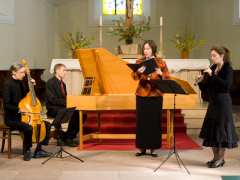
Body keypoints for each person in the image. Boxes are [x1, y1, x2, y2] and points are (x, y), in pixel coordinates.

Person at [197, 46, 238, 168]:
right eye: (211, 55)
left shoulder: (228, 69)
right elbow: (206, 88)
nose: (212, 58)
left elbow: (226, 86)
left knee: (221, 132)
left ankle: (220, 159)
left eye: (214, 55)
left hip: (223, 103)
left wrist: (212, 76)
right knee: (213, 132)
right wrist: (200, 82)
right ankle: (215, 158)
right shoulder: (213, 68)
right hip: (213, 103)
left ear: (222, 56)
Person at [3, 63, 51, 161]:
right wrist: (19, 110)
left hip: (25, 115)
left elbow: (27, 96)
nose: (24, 75)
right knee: (28, 128)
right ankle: (27, 151)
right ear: (14, 72)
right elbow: (6, 105)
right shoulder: (7, 84)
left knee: (46, 124)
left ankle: (39, 149)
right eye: (21, 73)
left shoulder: (20, 82)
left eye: (24, 72)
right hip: (12, 117)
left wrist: (32, 86)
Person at [132, 40, 170, 157]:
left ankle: (153, 148)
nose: (146, 51)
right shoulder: (140, 61)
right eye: (144, 49)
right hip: (142, 94)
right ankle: (142, 148)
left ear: (153, 49)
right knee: (142, 122)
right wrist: (138, 71)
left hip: (155, 94)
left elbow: (167, 77)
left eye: (148, 49)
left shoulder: (160, 62)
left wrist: (160, 73)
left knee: (154, 122)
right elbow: (134, 77)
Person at [46, 63, 84, 147]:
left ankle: (69, 137)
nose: (65, 72)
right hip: (53, 108)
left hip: (62, 107)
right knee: (65, 111)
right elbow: (52, 100)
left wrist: (71, 102)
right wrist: (68, 102)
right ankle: (66, 137)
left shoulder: (63, 84)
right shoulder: (50, 83)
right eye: (64, 70)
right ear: (57, 71)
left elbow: (65, 98)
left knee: (80, 113)